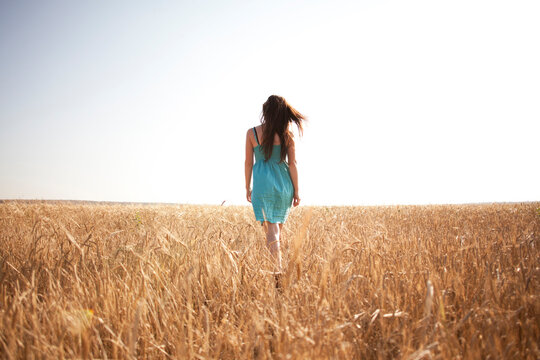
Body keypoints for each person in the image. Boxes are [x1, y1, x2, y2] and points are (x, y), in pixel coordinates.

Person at [244, 95, 305, 276]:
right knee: (276, 230)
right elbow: (293, 165)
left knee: (271, 231)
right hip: (284, 186)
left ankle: (277, 272)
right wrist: (296, 191)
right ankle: (277, 267)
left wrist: (247, 187)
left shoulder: (252, 133)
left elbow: (248, 162)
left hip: (262, 186)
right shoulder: (287, 136)